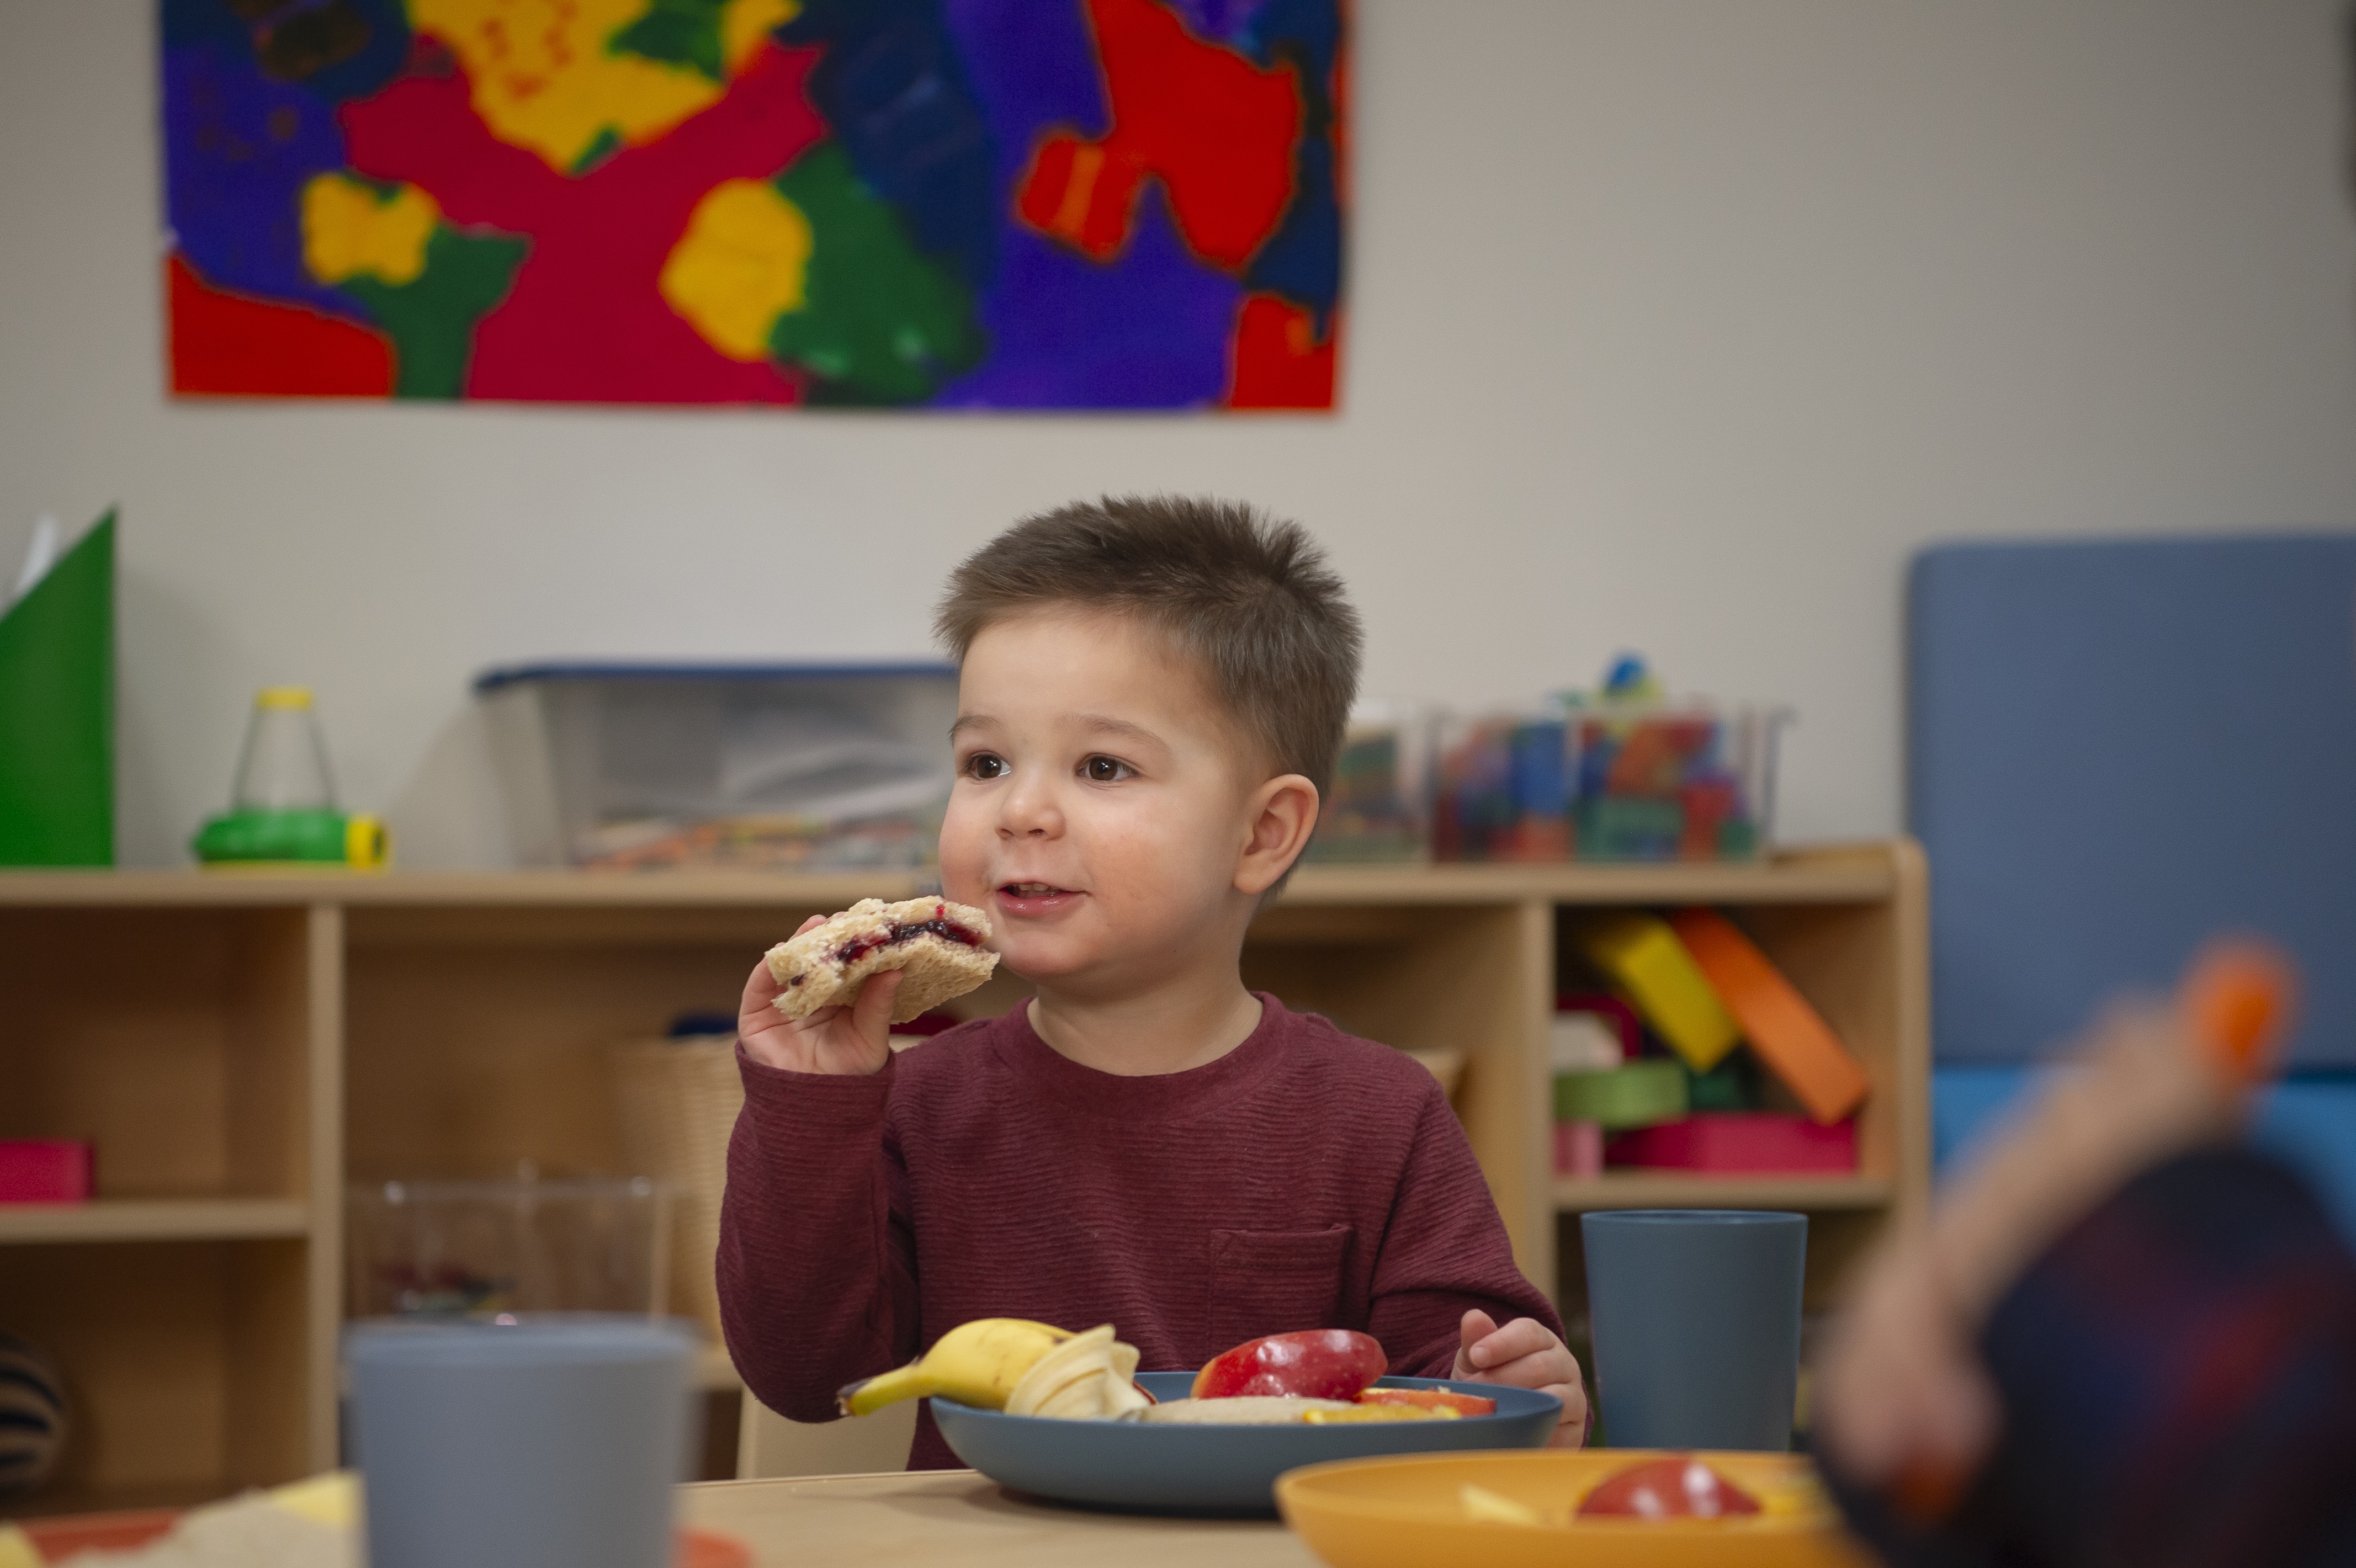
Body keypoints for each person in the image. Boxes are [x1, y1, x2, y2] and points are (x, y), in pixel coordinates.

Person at [717, 495, 1584, 1469]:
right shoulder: (915, 1104)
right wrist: (811, 1106)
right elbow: (806, 1376)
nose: (1022, 809)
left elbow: (1455, 1385)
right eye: (986, 760)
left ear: (1262, 834)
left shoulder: (1382, 1112)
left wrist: (1516, 1383)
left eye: (1102, 766)